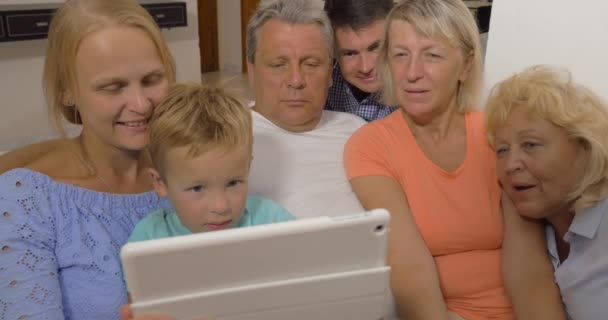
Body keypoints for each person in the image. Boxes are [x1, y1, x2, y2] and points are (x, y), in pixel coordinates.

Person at [0, 0, 176, 319]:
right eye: (112, 87)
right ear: (68, 92)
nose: (141, 103)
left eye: (152, 80)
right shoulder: (28, 200)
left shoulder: (193, 172)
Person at [343, 0, 515, 319]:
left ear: (466, 65)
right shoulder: (370, 144)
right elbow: (408, 267)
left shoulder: (497, 135)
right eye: (400, 55)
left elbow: (531, 263)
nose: (412, 73)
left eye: (432, 55)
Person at [486, 64, 608, 320]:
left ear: (585, 148)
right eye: (502, 150)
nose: (510, 165)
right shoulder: (539, 232)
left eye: (530, 145)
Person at [127, 82, 293, 244]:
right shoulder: (149, 238)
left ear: (248, 167)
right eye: (197, 188)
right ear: (160, 182)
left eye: (233, 183)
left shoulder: (272, 222)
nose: (220, 207)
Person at [245, 0, 366, 219]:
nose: (296, 80)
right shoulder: (224, 132)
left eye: (310, 64)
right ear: (251, 70)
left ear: (330, 73)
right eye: (278, 65)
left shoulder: (357, 132)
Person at [323, 0, 398, 121]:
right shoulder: (324, 86)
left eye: (376, 48)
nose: (365, 67)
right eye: (350, 53)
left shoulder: (417, 91)